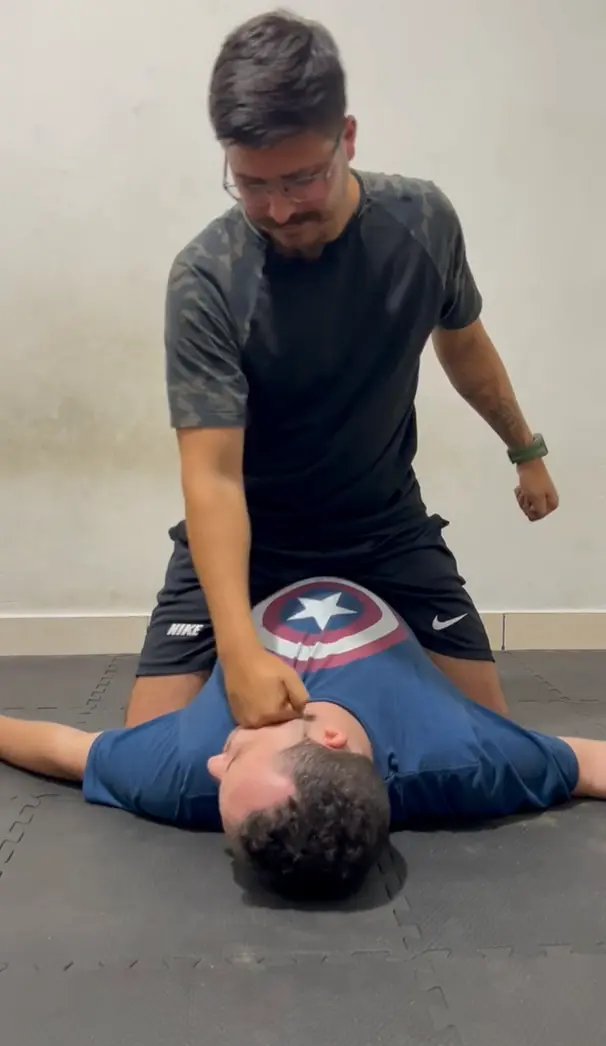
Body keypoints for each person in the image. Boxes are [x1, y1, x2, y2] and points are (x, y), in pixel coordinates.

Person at [126, 10, 559, 730]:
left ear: (347, 138)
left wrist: (526, 451)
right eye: (250, 184)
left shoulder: (423, 224)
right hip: (254, 534)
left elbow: (464, 344)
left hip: (382, 526)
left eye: (302, 179)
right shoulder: (207, 279)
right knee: (146, 760)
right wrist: (239, 653)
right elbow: (213, 477)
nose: (278, 209)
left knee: (492, 745)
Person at [0, 578, 602, 902]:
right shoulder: (463, 757)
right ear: (333, 739)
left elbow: (66, 749)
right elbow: (590, 764)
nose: (215, 763)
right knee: (495, 710)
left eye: (221, 776)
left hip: (250, 566)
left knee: (141, 726)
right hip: (378, 553)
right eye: (239, 752)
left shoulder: (182, 772)